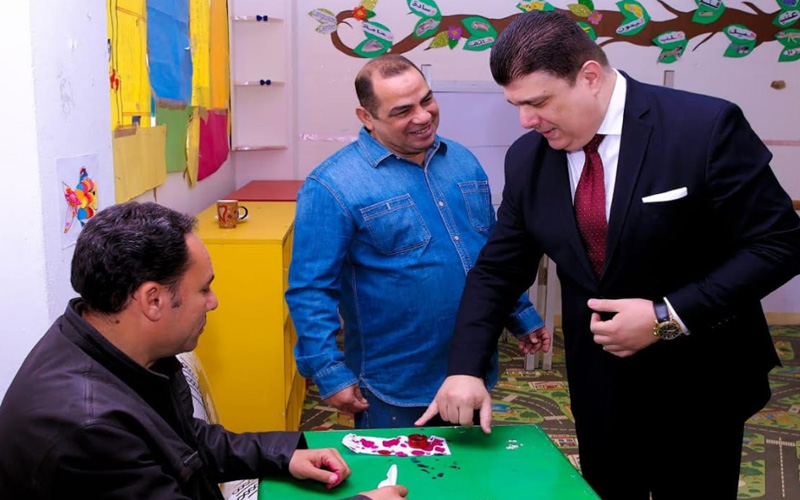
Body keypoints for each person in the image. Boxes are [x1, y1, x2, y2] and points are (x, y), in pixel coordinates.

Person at [417, 11, 800, 500]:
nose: (526, 121)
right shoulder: (528, 158)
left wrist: (667, 317)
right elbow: (498, 271)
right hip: (599, 383)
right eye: (516, 105)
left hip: (702, 377)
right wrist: (465, 368)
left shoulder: (703, 127)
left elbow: (779, 242)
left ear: (590, 77)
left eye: (538, 102)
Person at [0, 202, 406, 500]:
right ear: (153, 300)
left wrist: (284, 455)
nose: (213, 302)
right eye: (204, 288)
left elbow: (182, 440)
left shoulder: (112, 347)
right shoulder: (88, 430)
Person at [285, 55, 548, 429]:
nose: (423, 116)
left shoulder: (463, 161)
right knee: (401, 469)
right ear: (367, 117)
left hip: (472, 370)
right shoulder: (331, 186)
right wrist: (328, 371)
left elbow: (490, 254)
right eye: (402, 111)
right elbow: (311, 289)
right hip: (394, 383)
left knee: (468, 465)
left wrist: (519, 313)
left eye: (427, 100)